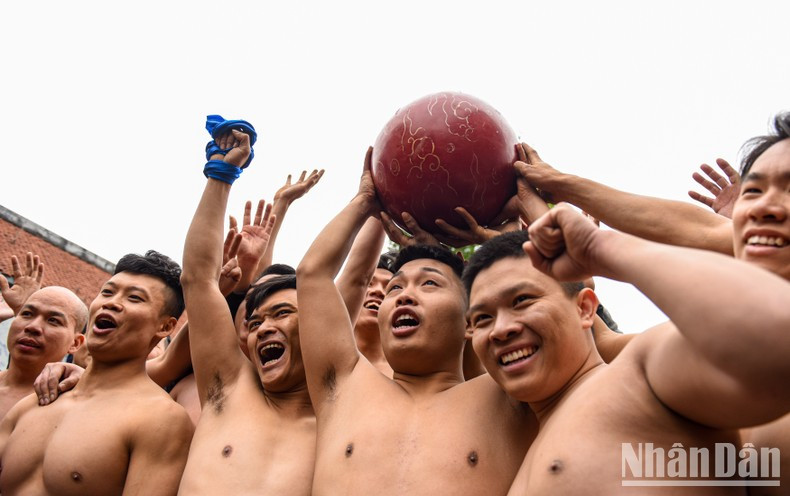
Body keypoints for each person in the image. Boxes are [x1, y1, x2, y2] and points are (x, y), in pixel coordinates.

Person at [462, 202, 790, 493]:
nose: (501, 330)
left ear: (585, 309)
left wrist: (601, 248)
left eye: (522, 301)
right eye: (483, 318)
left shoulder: (642, 373)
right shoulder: (521, 468)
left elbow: (777, 343)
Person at [296, 147, 537, 495]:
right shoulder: (343, 386)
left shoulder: (511, 397)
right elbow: (312, 274)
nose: (405, 295)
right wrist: (365, 201)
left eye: (429, 284)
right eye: (395, 288)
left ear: (472, 320)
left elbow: (556, 295)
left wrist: (509, 226)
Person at [178, 129, 316, 494]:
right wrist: (220, 177)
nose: (263, 328)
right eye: (254, 322)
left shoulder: (341, 423)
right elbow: (198, 280)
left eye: (282, 313)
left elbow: (354, 280)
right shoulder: (227, 388)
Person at [0, 250, 193, 495]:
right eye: (107, 292)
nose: (111, 302)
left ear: (165, 326)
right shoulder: (36, 401)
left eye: (134, 298)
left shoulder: (161, 420)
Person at [0, 285, 86, 420]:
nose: (33, 327)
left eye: (53, 320)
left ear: (75, 343)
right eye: (26, 314)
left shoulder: (74, 407)